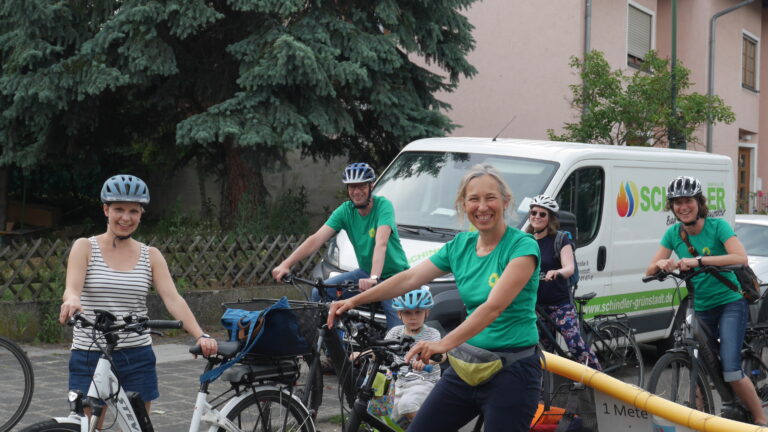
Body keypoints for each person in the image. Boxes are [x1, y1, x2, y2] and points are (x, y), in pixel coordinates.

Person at [328, 163, 542, 432]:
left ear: (505, 201)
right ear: (463, 205)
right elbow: (409, 278)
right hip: (467, 367)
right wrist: (354, 300)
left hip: (513, 373)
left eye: (490, 198)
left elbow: (493, 308)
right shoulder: (460, 246)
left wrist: (443, 345)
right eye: (474, 199)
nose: (482, 207)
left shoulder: (522, 246)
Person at [58, 174, 217, 421]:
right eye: (119, 209)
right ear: (105, 209)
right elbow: (72, 288)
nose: (126, 217)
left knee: (136, 425)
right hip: (90, 351)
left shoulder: (150, 255)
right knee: (88, 425)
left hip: (135, 354)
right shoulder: (85, 247)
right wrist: (72, 300)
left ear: (141, 213)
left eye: (133, 211)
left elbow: (173, 299)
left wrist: (200, 334)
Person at [645, 175, 766, 426]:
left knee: (731, 368)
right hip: (700, 305)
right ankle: (700, 418)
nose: (683, 206)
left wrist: (699, 261)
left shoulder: (717, 227)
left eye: (688, 200)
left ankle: (760, 419)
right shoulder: (673, 233)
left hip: (730, 303)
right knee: (701, 361)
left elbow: (740, 257)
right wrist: (661, 263)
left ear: (699, 202)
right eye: (677, 202)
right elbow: (649, 270)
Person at [272, 162, 409, 329]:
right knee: (320, 294)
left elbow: (381, 243)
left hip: (395, 276)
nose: (356, 191)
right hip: (365, 273)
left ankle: (394, 355)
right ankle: (336, 353)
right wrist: (286, 264)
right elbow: (316, 239)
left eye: (361, 186)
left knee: (397, 330)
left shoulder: (383, 206)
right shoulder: (345, 211)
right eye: (352, 187)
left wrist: (374, 278)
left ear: (371, 186)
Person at [526, 195, 600, 370]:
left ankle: (601, 377)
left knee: (575, 345)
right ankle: (544, 393)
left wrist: (557, 272)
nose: (536, 216)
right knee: (542, 352)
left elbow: (569, 268)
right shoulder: (525, 240)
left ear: (550, 218)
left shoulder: (560, 239)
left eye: (542, 214)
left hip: (560, 305)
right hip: (537, 306)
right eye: (533, 212)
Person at [386, 287, 442, 428]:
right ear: (399, 314)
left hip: (424, 382)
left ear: (426, 312)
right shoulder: (394, 332)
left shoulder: (432, 334)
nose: (413, 317)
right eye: (407, 313)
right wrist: (365, 353)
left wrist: (426, 361)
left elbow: (442, 355)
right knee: (386, 418)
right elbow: (383, 349)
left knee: (407, 405)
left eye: (418, 312)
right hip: (399, 383)